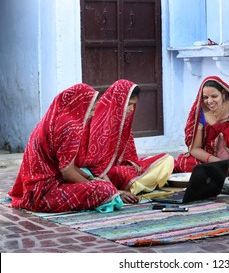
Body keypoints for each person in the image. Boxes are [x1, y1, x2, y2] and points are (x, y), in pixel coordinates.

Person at [8, 83, 121, 213]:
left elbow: (69, 166)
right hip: (44, 194)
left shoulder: (54, 118)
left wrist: (90, 179)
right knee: (107, 191)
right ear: (80, 105)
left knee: (97, 180)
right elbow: (67, 172)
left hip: (33, 188)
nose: (93, 114)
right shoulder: (70, 127)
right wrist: (93, 184)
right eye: (91, 109)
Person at [84, 79, 174, 203]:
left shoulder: (123, 123)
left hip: (121, 168)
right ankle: (137, 185)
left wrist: (132, 164)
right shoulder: (100, 123)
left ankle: (138, 184)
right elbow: (94, 166)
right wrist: (115, 192)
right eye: (129, 104)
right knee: (120, 172)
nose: (131, 109)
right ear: (119, 102)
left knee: (167, 159)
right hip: (107, 174)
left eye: (134, 105)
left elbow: (129, 154)